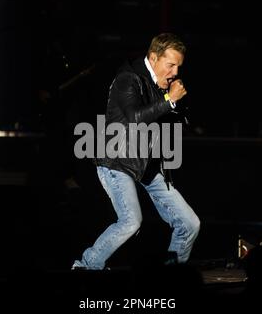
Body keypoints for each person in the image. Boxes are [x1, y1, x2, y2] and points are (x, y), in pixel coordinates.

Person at [72, 33, 201, 270]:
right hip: (116, 161)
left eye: (178, 66)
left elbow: (173, 122)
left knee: (189, 223)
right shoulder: (128, 79)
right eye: (170, 65)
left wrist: (176, 105)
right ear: (153, 58)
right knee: (131, 221)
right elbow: (135, 119)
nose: (175, 72)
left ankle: (170, 274)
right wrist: (169, 101)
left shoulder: (160, 84)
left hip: (146, 164)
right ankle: (86, 267)